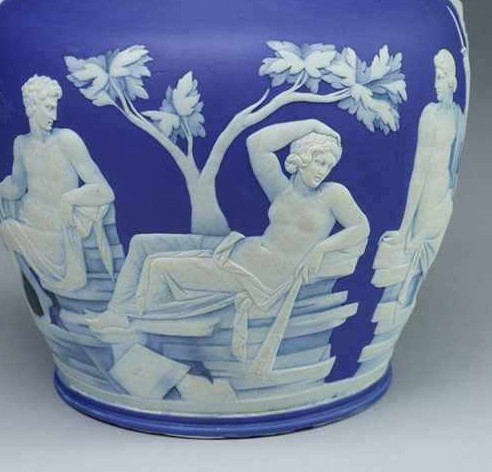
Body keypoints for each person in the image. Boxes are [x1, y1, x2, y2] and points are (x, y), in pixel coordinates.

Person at [88, 118, 369, 370]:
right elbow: (257, 144)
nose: (324, 171)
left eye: (329, 166)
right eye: (319, 162)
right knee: (142, 244)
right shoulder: (281, 191)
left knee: (159, 267)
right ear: (302, 158)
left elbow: (360, 226)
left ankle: (138, 325)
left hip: (257, 278)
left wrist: (321, 248)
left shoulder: (332, 194)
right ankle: (116, 312)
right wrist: (312, 125)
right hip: (235, 250)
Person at [0, 75, 115, 294]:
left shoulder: (67, 140)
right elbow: (17, 188)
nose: (55, 116)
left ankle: (45, 295)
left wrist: (69, 198)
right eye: (49, 108)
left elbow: (105, 191)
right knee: (6, 229)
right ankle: (39, 296)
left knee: (10, 231)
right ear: (32, 106)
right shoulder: (21, 144)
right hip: (30, 224)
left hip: (58, 238)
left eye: (55, 108)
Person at [372, 49, 462, 305]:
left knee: (422, 250)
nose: (435, 85)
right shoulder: (430, 114)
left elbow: (453, 162)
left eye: (440, 78)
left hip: (442, 197)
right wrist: (404, 229)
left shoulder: (457, 114)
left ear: (452, 80)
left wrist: (448, 195)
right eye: (435, 78)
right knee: (413, 246)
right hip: (425, 203)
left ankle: (403, 295)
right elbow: (418, 173)